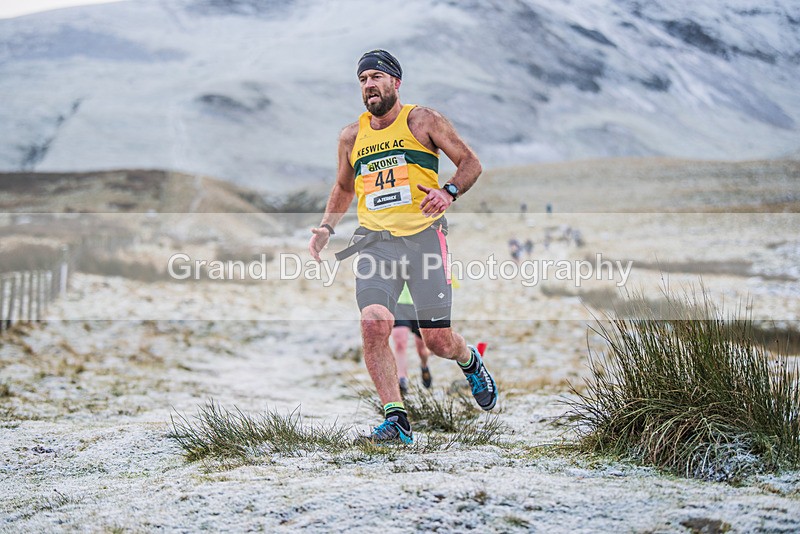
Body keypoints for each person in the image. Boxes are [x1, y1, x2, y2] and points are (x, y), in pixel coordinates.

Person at [308, 49, 498, 444]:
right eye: (363, 80)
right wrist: (326, 227)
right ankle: (397, 420)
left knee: (438, 341)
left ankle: (469, 360)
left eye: (376, 77)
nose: (369, 85)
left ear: (396, 82)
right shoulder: (351, 136)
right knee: (373, 322)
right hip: (375, 244)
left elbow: (470, 163)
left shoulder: (423, 121)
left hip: (425, 241)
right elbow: (344, 186)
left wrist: (448, 192)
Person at [392, 283, 432, 395]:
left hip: (420, 304)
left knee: (422, 350)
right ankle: (402, 379)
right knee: (400, 343)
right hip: (397, 303)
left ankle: (424, 366)